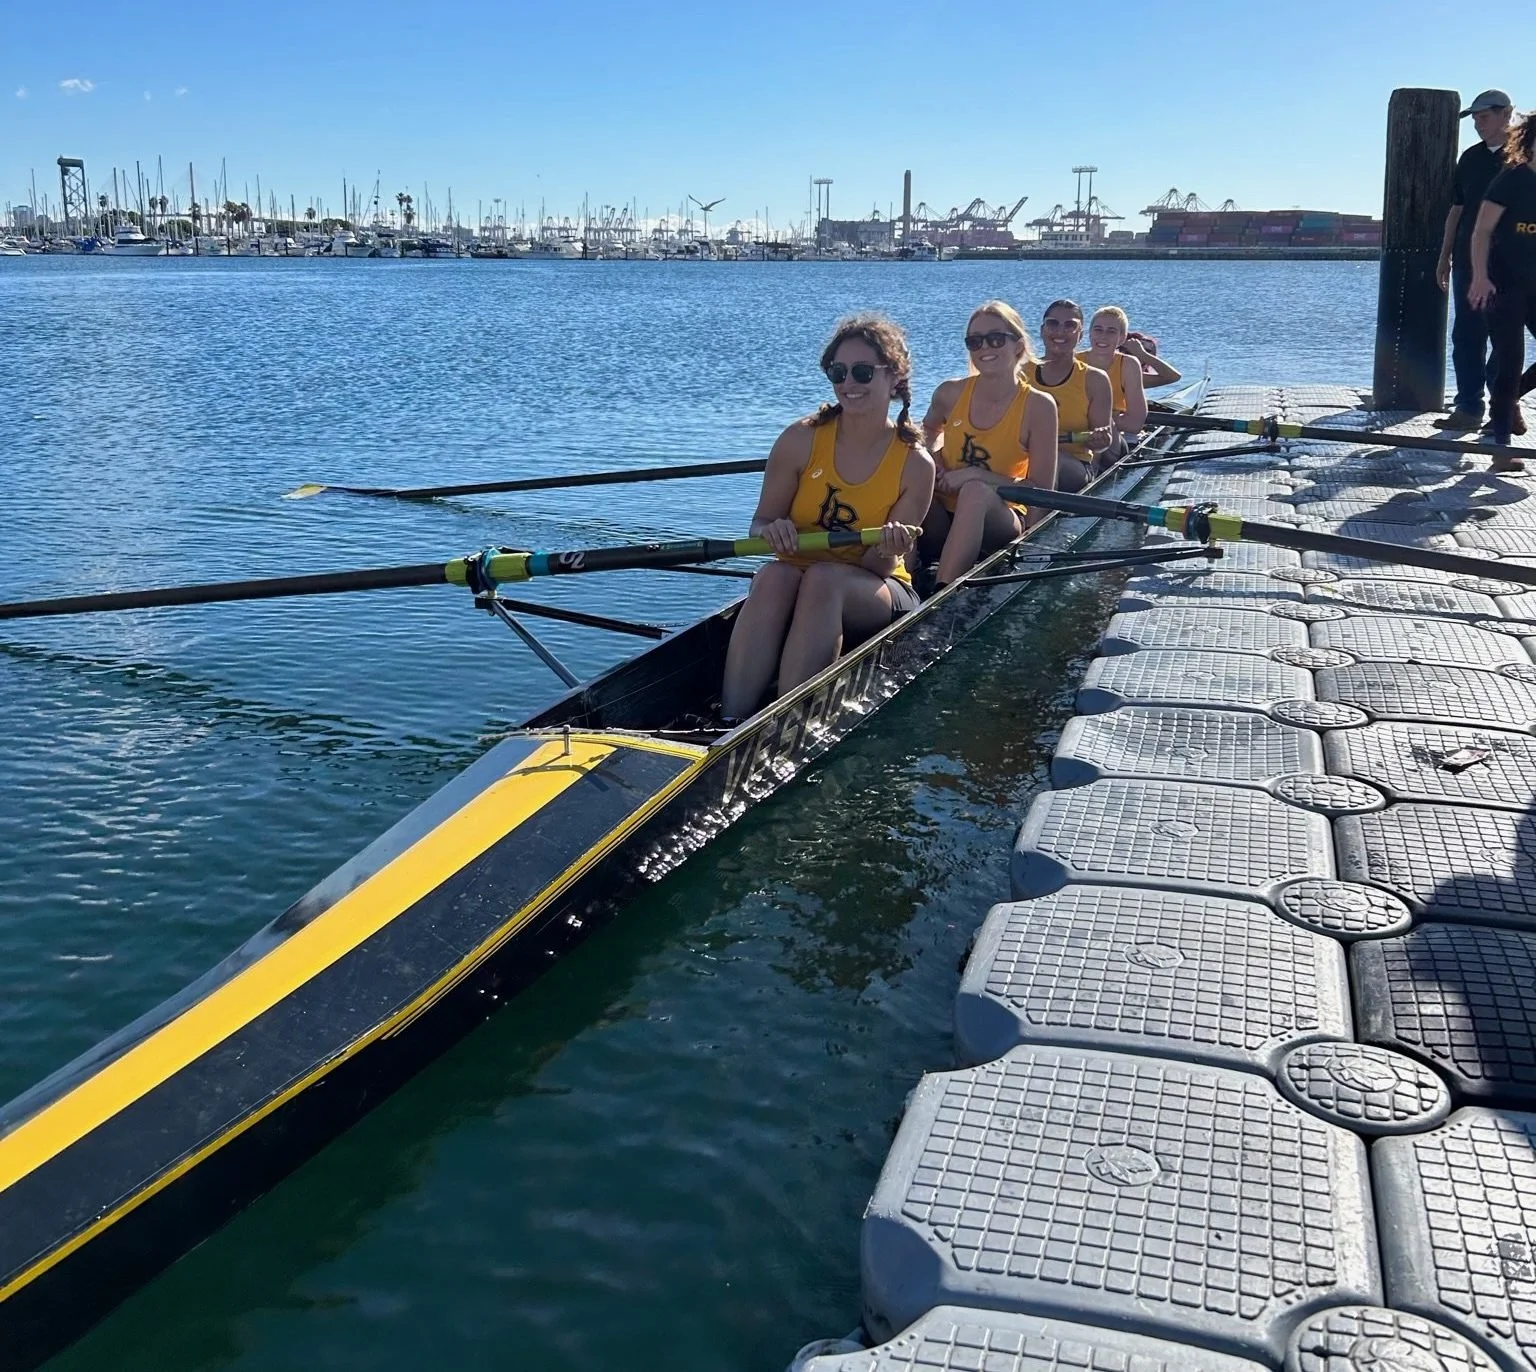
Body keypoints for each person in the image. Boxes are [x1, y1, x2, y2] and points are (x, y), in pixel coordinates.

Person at [719, 315, 934, 720]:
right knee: (772, 575)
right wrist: (772, 530)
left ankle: (785, 722)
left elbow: (877, 566)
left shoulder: (916, 464)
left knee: (824, 579)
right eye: (838, 372)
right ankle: (730, 720)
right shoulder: (800, 439)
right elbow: (760, 523)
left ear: (894, 377)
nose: (849, 383)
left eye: (863, 372)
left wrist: (887, 548)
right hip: (797, 575)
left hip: (877, 586)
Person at [917, 301, 1059, 587]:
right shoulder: (949, 393)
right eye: (975, 341)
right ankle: (902, 576)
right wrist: (934, 460)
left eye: (995, 339)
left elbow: (1041, 494)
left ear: (1018, 346)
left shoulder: (1039, 406)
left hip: (1001, 518)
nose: (984, 348)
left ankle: (943, 593)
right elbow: (926, 432)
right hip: (944, 511)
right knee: (911, 476)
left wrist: (974, 475)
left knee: (974, 491)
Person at [1435, 89, 1515, 431]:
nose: (1479, 125)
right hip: (1468, 260)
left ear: (1506, 114)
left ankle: (1504, 407)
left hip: (1512, 261)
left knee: (1506, 336)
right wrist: (1444, 256)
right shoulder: (1470, 159)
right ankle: (1468, 408)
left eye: (1484, 117)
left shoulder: (1524, 157)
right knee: (1467, 334)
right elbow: (1456, 210)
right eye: (1475, 119)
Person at [1468, 108, 1536, 464]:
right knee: (1510, 360)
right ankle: (1501, 448)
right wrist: (1480, 276)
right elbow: (1481, 231)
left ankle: (1507, 402)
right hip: (1502, 284)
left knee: (1511, 379)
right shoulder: (1512, 179)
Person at [1031, 299, 1114, 491]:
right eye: (1053, 324)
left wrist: (1100, 440)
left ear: (1080, 335)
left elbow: (1102, 442)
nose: (1060, 332)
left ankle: (1037, 510)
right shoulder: (1020, 372)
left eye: (1070, 326)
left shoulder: (1095, 380)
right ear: (1042, 330)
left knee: (1052, 457)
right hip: (1023, 460)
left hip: (1074, 465)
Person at [1078, 306, 1149, 454]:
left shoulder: (1128, 364)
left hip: (1117, 435)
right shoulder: (1074, 361)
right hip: (1079, 433)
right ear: (1090, 333)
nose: (1103, 336)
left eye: (1111, 331)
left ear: (1122, 338)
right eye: (1098, 330)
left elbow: (1135, 423)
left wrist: (1099, 420)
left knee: (1104, 427)